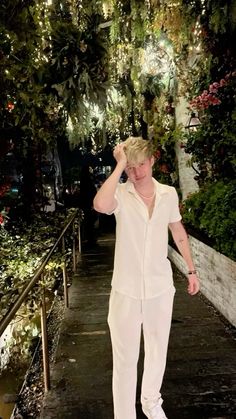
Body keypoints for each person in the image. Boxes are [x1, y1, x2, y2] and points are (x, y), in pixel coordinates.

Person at [93, 137, 200, 419]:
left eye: (142, 164)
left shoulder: (168, 194)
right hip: (126, 291)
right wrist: (118, 166)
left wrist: (191, 270)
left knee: (156, 351)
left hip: (160, 288)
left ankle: (151, 402)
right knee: (125, 359)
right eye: (132, 167)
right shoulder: (121, 194)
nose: (137, 172)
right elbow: (100, 205)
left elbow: (178, 232)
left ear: (152, 161)